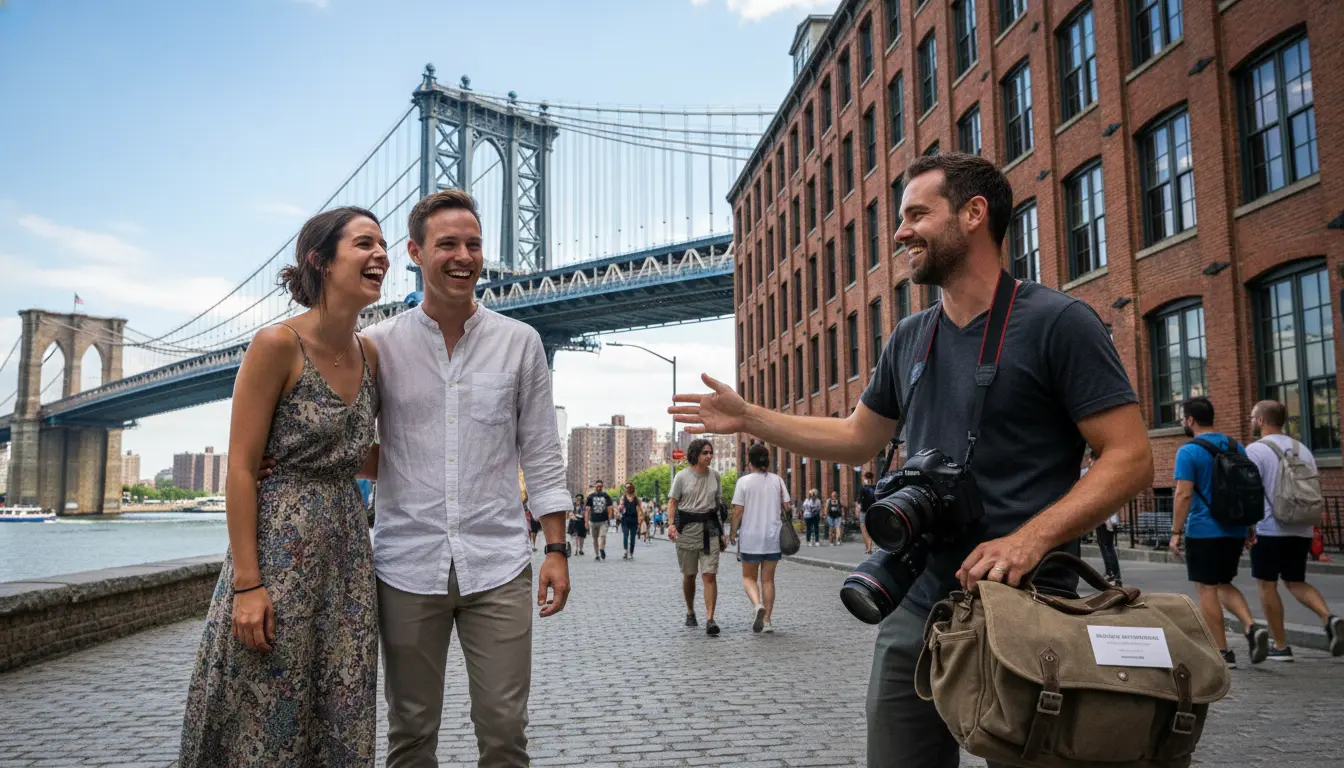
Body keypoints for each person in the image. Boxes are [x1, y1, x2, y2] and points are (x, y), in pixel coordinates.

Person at [670, 152, 1152, 768]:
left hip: (1033, 608)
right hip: (918, 598)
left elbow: (1132, 459)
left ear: (974, 214)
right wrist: (749, 417)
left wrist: (1028, 541)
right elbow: (857, 439)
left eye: (917, 214)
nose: (899, 232)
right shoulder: (909, 337)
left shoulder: (1061, 323)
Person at [361, 190, 571, 767]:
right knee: (410, 731)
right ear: (414, 252)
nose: (463, 256)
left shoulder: (520, 343)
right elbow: (353, 444)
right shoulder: (376, 346)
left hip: (498, 561)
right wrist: (292, 459)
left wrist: (556, 547)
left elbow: (542, 453)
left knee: (505, 731)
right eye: (447, 243)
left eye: (473, 244)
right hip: (406, 563)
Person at [179, 206, 388, 766]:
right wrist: (248, 586)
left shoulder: (371, 353)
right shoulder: (276, 344)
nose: (381, 255)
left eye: (384, 245)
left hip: (347, 556)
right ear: (320, 261)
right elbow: (243, 468)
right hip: (278, 553)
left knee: (340, 698)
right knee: (265, 705)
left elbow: (361, 457)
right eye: (364, 244)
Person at [1169, 396, 1269, 668]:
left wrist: (1176, 531)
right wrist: (1248, 526)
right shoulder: (1236, 446)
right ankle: (1250, 627)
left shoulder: (1188, 451)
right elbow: (1246, 489)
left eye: (1183, 418)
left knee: (1207, 588)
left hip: (1203, 529)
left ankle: (1223, 652)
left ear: (1190, 420)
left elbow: (1183, 494)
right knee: (1224, 582)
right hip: (1235, 528)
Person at [1245, 399, 1344, 659]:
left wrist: (1247, 527)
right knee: (1295, 580)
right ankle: (1329, 617)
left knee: (1267, 584)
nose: (1251, 421)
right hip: (1301, 526)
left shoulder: (1255, 450)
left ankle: (1281, 645)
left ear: (1262, 421)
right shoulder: (1303, 449)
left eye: (1253, 417)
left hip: (1269, 527)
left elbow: (1250, 492)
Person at [729, 442, 790, 634]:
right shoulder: (777, 480)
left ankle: (757, 605)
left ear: (749, 462)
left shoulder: (744, 482)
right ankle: (768, 621)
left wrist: (732, 532)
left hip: (751, 537)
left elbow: (738, 511)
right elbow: (787, 506)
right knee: (768, 581)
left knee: (748, 577)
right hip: (772, 536)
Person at [668, 438, 726, 636]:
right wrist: (670, 525)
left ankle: (710, 619)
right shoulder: (682, 477)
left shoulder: (715, 476)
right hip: (687, 530)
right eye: (705, 453)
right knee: (689, 575)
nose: (709, 456)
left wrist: (722, 533)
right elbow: (672, 502)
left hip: (710, 530)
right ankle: (690, 611)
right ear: (696, 455)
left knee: (709, 574)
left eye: (710, 452)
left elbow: (719, 506)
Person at [1083, 450, 1122, 585]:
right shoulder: (1100, 475)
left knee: (1107, 546)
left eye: (1091, 459)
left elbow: (1105, 501)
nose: (1089, 462)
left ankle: (1114, 575)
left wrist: (1107, 520)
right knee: (1103, 545)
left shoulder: (1103, 477)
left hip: (1106, 519)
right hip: (1103, 519)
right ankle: (1109, 572)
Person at [586, 481, 615, 561]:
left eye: (600, 486)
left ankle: (601, 549)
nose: (599, 487)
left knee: (603, 536)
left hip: (603, 520)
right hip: (593, 521)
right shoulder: (590, 497)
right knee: (595, 538)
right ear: (595, 486)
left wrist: (610, 517)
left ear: (602, 487)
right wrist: (586, 522)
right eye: (597, 486)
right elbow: (587, 510)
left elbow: (610, 508)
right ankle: (597, 554)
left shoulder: (606, 496)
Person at [617, 483, 643, 560]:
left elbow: (639, 510)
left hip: (633, 520)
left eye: (629, 487)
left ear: (632, 488)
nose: (627, 489)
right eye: (626, 487)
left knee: (632, 538)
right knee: (625, 535)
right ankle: (625, 551)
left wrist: (640, 519)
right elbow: (620, 507)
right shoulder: (623, 497)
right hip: (625, 519)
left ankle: (631, 553)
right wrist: (620, 509)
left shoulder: (636, 499)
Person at [858, 471, 877, 555]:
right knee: (871, 529)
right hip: (873, 510)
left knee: (864, 530)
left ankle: (869, 547)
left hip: (864, 511)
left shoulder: (863, 488)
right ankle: (868, 547)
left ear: (865, 479)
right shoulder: (875, 487)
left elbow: (859, 501)